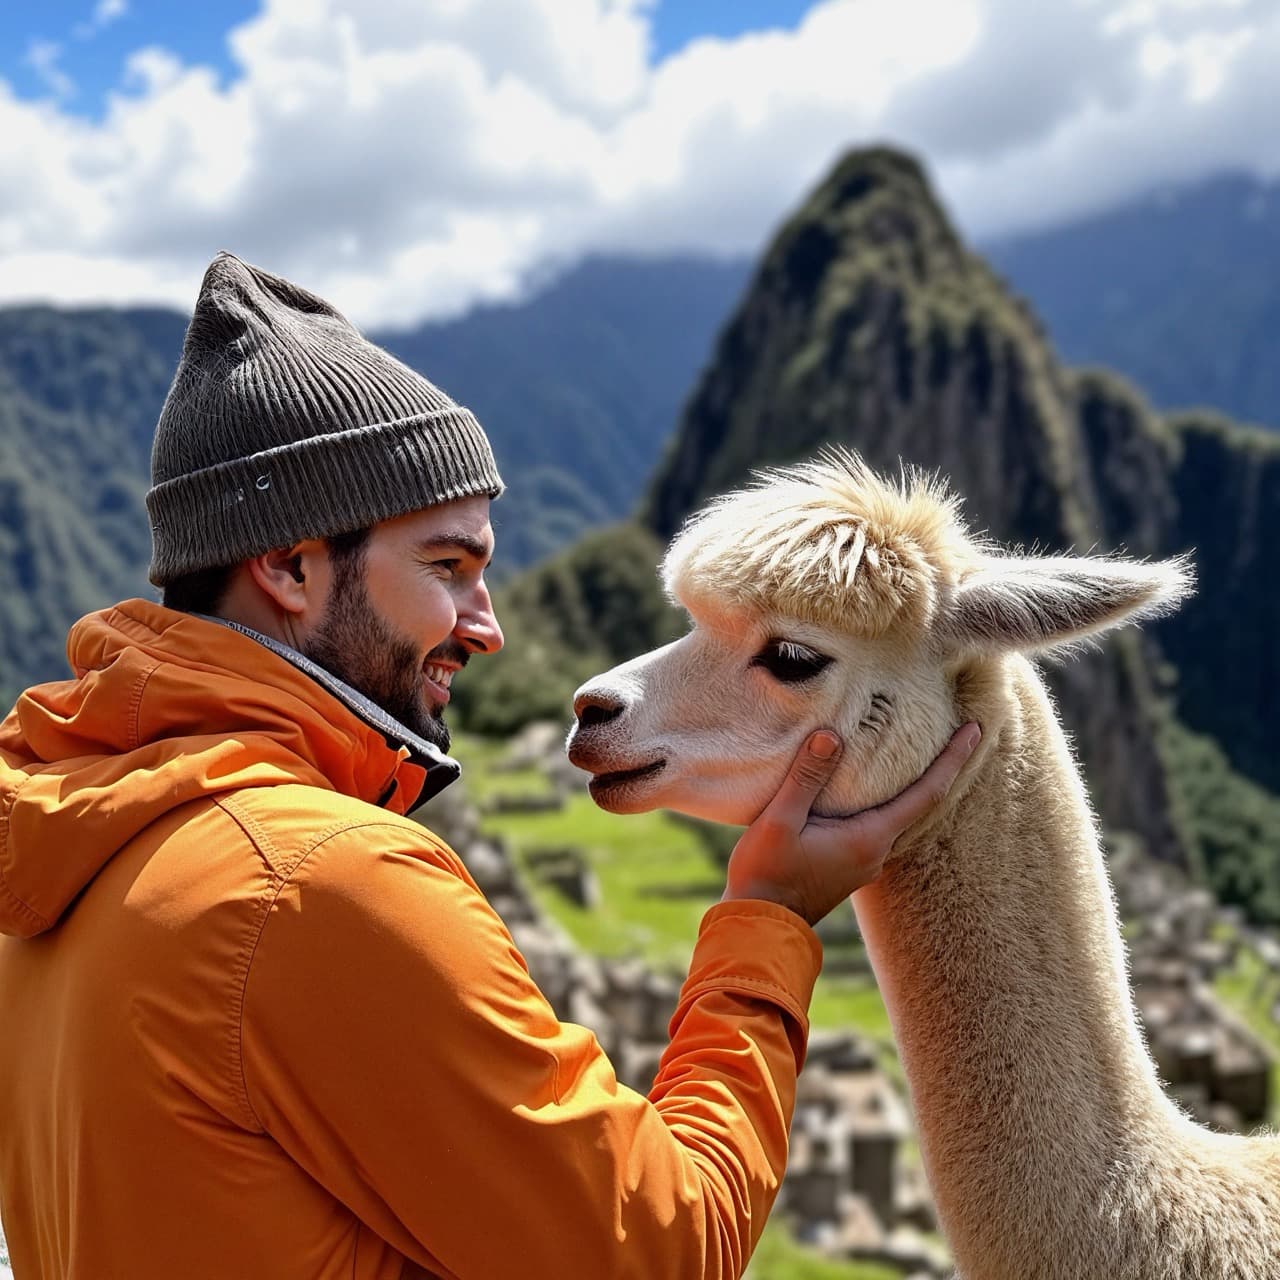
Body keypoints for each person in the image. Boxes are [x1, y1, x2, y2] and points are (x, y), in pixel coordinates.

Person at [0, 252, 978, 1279]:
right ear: (289, 565)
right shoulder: (319, 885)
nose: (489, 626)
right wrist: (767, 917)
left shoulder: (69, 860)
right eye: (447, 567)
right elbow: (660, 1249)